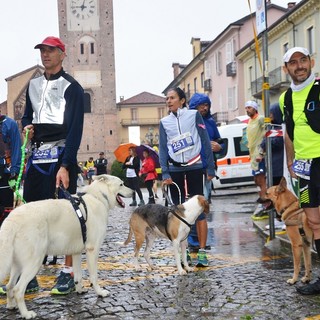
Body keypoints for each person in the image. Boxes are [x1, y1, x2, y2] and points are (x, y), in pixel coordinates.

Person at [20, 36, 84, 295]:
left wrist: (66, 165)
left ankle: (67, 273)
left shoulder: (73, 87)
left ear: (62, 54)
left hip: (60, 156)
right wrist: (27, 125)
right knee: (32, 215)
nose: (45, 55)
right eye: (42, 51)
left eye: (50, 50)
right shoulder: (33, 84)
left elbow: (75, 131)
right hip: (37, 156)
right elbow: (27, 115)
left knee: (65, 216)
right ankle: (30, 274)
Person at [279, 47, 320, 295]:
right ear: (286, 69)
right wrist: (291, 162)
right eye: (293, 62)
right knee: (314, 221)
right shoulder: (285, 98)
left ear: (311, 62)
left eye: (303, 60)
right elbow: (289, 132)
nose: (299, 65)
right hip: (304, 167)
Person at [159, 87, 215, 267]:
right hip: (175, 170)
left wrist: (210, 167)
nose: (168, 101)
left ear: (182, 100)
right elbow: (162, 148)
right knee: (178, 215)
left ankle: (203, 252)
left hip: (195, 167)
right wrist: (165, 172)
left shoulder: (193, 115)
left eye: (172, 98)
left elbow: (205, 140)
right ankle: (186, 253)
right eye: (167, 98)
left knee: (198, 212)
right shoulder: (164, 122)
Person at [188, 93, 223, 203]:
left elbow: (220, 142)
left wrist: (219, 147)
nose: (205, 108)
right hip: (192, 166)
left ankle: (203, 220)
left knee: (205, 200)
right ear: (195, 106)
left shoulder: (211, 122)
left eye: (207, 105)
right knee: (194, 201)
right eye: (202, 105)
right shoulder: (188, 122)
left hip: (208, 166)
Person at [260, 103, 285, 230]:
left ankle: (281, 218)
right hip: (272, 167)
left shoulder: (280, 128)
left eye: (271, 113)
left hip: (279, 167)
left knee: (279, 194)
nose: (269, 116)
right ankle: (277, 218)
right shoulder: (271, 128)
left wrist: (267, 140)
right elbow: (264, 142)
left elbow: (276, 143)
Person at [245, 100, 271, 218]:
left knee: (261, 180)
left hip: (260, 156)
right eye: (246, 108)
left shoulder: (260, 119)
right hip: (253, 156)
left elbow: (267, 132)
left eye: (249, 107)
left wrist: (262, 151)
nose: (247, 110)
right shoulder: (250, 121)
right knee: (256, 180)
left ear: (255, 108)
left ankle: (265, 203)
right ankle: (262, 201)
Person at [0, 113, 21, 226]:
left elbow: (16, 148)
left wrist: (15, 171)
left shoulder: (10, 124)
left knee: (5, 215)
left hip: (6, 175)